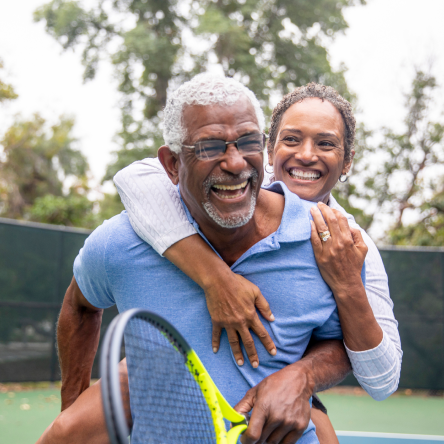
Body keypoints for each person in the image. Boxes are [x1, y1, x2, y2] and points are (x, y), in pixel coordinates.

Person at [44, 74, 360, 444]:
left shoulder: (329, 245)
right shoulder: (120, 243)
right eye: (210, 147)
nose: (235, 162)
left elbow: (343, 343)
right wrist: (71, 404)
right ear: (173, 164)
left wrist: (304, 375)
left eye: (247, 142)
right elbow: (79, 305)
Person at [112, 82, 402, 436]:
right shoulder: (227, 195)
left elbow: (382, 379)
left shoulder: (353, 245)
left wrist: (345, 285)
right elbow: (135, 177)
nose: (307, 155)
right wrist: (217, 278)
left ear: (347, 161)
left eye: (325, 143)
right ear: (269, 148)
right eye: (292, 139)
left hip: (289, 388)